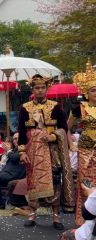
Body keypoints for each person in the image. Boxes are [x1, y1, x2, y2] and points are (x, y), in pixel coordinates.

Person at [18, 74, 75, 230]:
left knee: (55, 180)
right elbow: (21, 132)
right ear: (33, 89)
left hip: (52, 151)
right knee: (32, 181)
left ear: (47, 88)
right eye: (37, 87)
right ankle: (32, 214)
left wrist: (53, 136)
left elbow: (64, 128)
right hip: (32, 151)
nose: (40, 90)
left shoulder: (55, 106)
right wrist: (22, 152)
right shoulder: (25, 108)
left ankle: (56, 216)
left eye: (43, 87)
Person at [69, 60, 96, 226]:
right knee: (85, 184)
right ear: (86, 92)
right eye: (93, 90)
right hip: (85, 151)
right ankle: (83, 219)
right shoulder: (80, 108)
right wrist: (70, 144)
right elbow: (67, 127)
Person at [0, 132, 26, 209]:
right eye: (14, 139)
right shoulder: (15, 149)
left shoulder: (23, 148)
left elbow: (14, 158)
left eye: (17, 138)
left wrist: (8, 151)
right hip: (8, 172)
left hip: (14, 174)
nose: (14, 140)